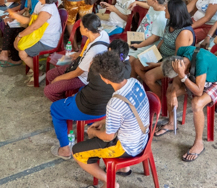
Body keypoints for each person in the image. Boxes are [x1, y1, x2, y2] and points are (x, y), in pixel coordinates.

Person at [72, 51, 150, 184]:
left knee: (77, 152)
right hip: (143, 138)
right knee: (100, 133)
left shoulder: (114, 103)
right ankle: (124, 169)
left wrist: (93, 132)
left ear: (104, 79)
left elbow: (109, 137)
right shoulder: (135, 82)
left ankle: (111, 183)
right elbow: (128, 113)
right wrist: (103, 121)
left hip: (128, 147)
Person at [51, 39, 131, 160]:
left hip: (86, 107)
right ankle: (92, 124)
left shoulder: (98, 69)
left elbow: (90, 79)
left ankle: (65, 148)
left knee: (55, 109)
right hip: (106, 110)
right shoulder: (128, 69)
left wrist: (93, 65)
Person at [157, 46, 217, 162]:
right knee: (170, 92)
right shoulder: (181, 53)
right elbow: (177, 80)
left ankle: (199, 143)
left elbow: (199, 91)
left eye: (178, 73)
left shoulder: (201, 61)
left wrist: (182, 76)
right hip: (196, 78)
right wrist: (174, 93)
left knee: (197, 103)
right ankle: (172, 124)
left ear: (181, 69)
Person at [44, 13, 110, 102]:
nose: (79, 28)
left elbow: (76, 73)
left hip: (83, 77)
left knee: (48, 90)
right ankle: (63, 93)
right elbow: (86, 51)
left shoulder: (94, 51)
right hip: (79, 64)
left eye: (81, 26)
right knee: (50, 74)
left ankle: (64, 104)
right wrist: (79, 54)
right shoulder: (101, 33)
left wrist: (58, 79)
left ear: (87, 30)